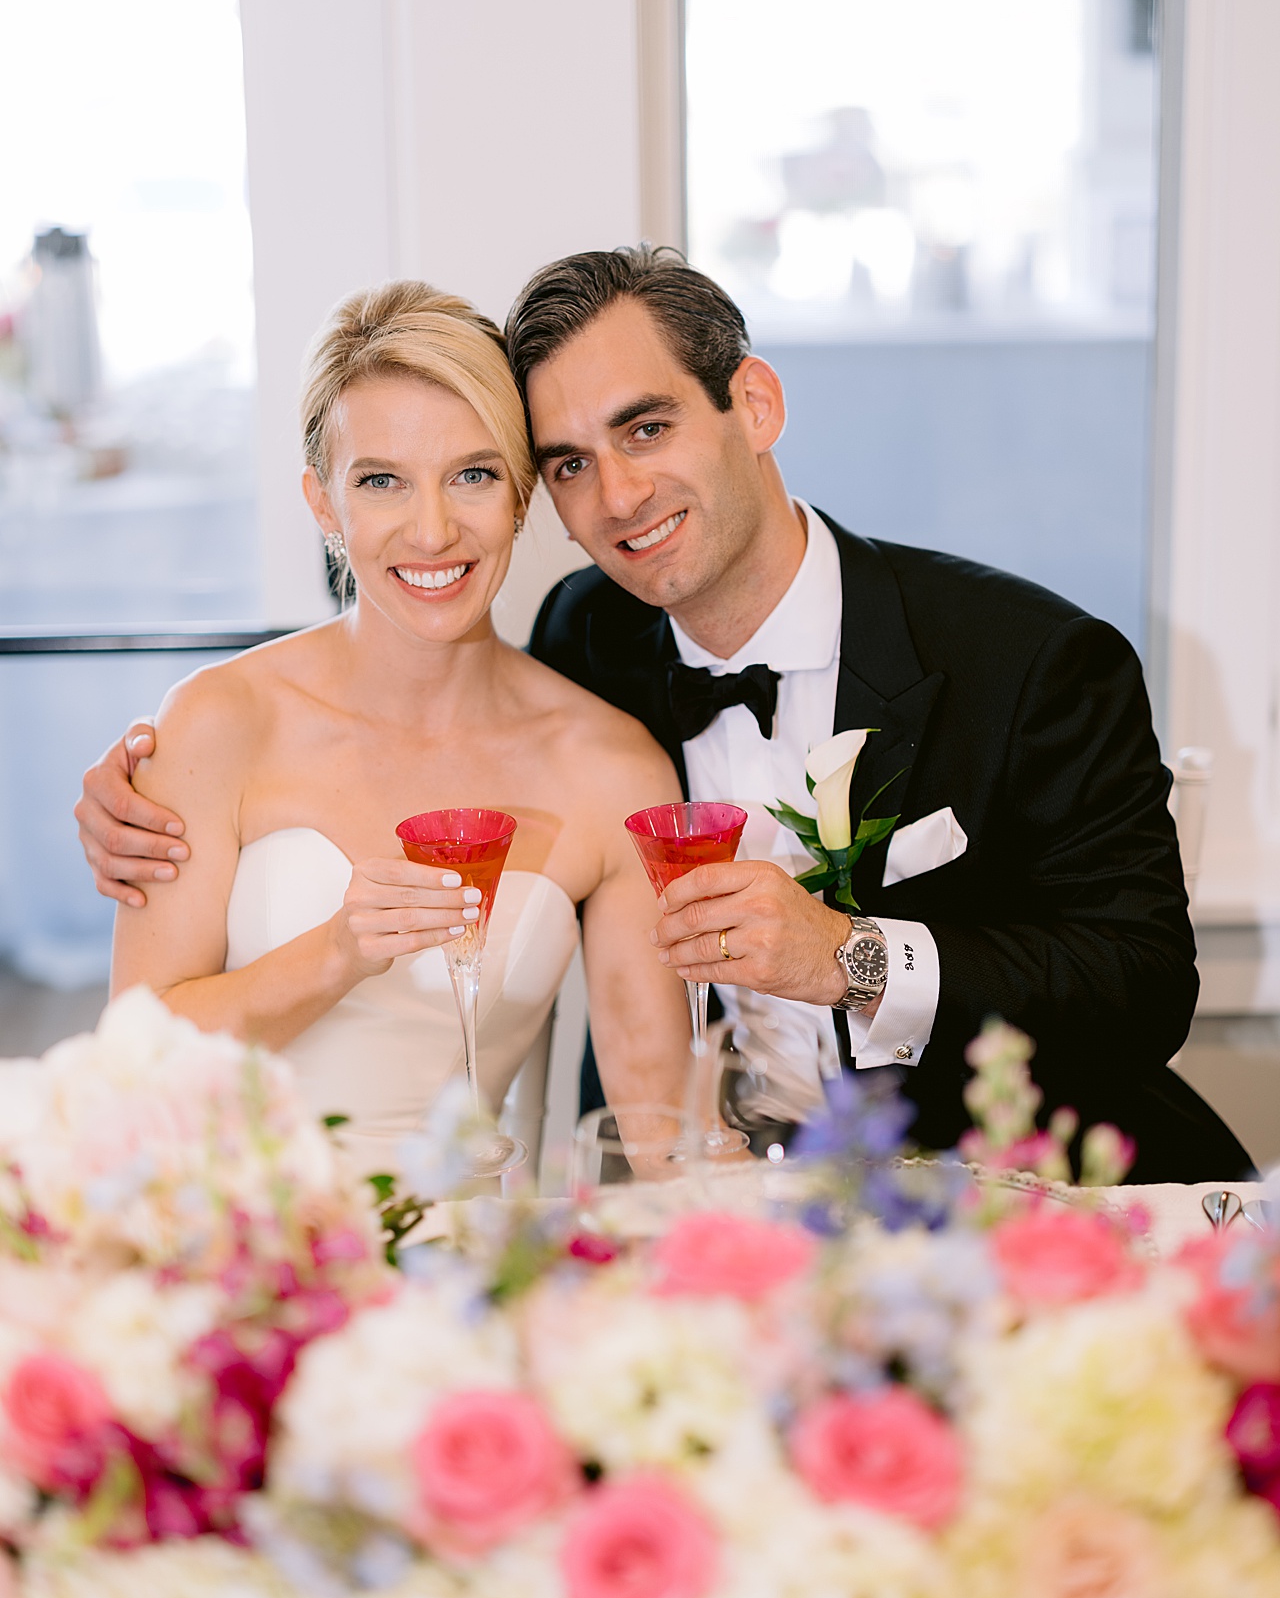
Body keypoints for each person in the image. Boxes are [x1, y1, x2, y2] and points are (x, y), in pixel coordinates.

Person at [81, 248, 1250, 1182]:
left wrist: (846, 956)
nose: (621, 495)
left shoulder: (1032, 660)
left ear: (752, 402)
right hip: (658, 1189)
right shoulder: (594, 640)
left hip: (1008, 1179)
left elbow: (1143, 984)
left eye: (645, 429)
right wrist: (141, 790)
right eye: (572, 463)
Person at [105, 279, 690, 1137]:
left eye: (473, 475)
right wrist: (336, 954)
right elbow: (126, 1064)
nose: (431, 532)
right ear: (322, 504)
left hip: (481, 1259)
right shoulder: (216, 723)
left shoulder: (613, 767)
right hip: (232, 1243)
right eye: (381, 481)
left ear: (522, 494)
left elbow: (658, 1128)